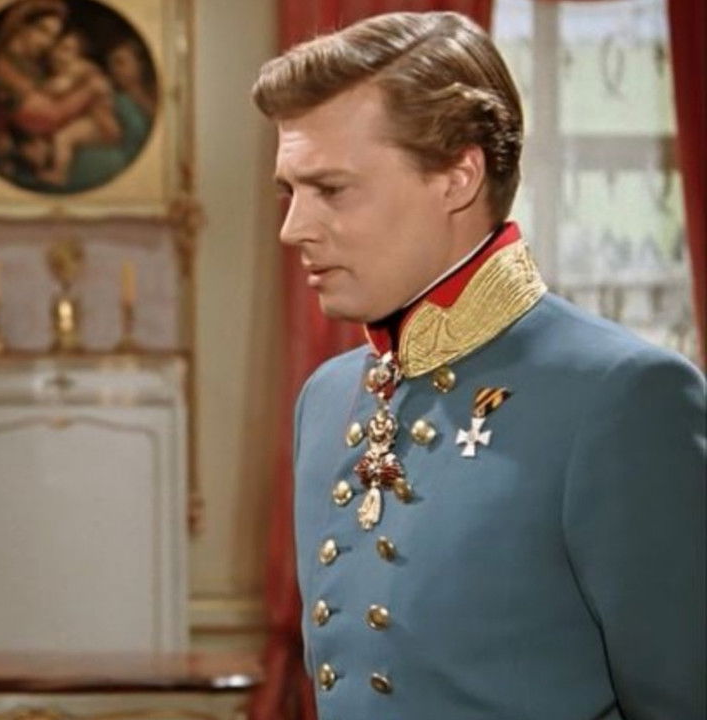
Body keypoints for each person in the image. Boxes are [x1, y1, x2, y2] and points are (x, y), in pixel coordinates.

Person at [253, 11, 704, 720]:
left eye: (331, 190)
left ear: (458, 177)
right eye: (290, 192)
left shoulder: (622, 397)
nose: (293, 229)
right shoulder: (329, 396)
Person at [38, 30, 122, 186]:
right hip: (87, 121)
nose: (57, 54)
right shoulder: (64, 71)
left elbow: (60, 87)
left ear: (79, 55)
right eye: (55, 48)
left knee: (63, 137)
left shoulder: (80, 68)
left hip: (100, 125)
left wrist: (45, 88)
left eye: (66, 49)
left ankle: (59, 174)